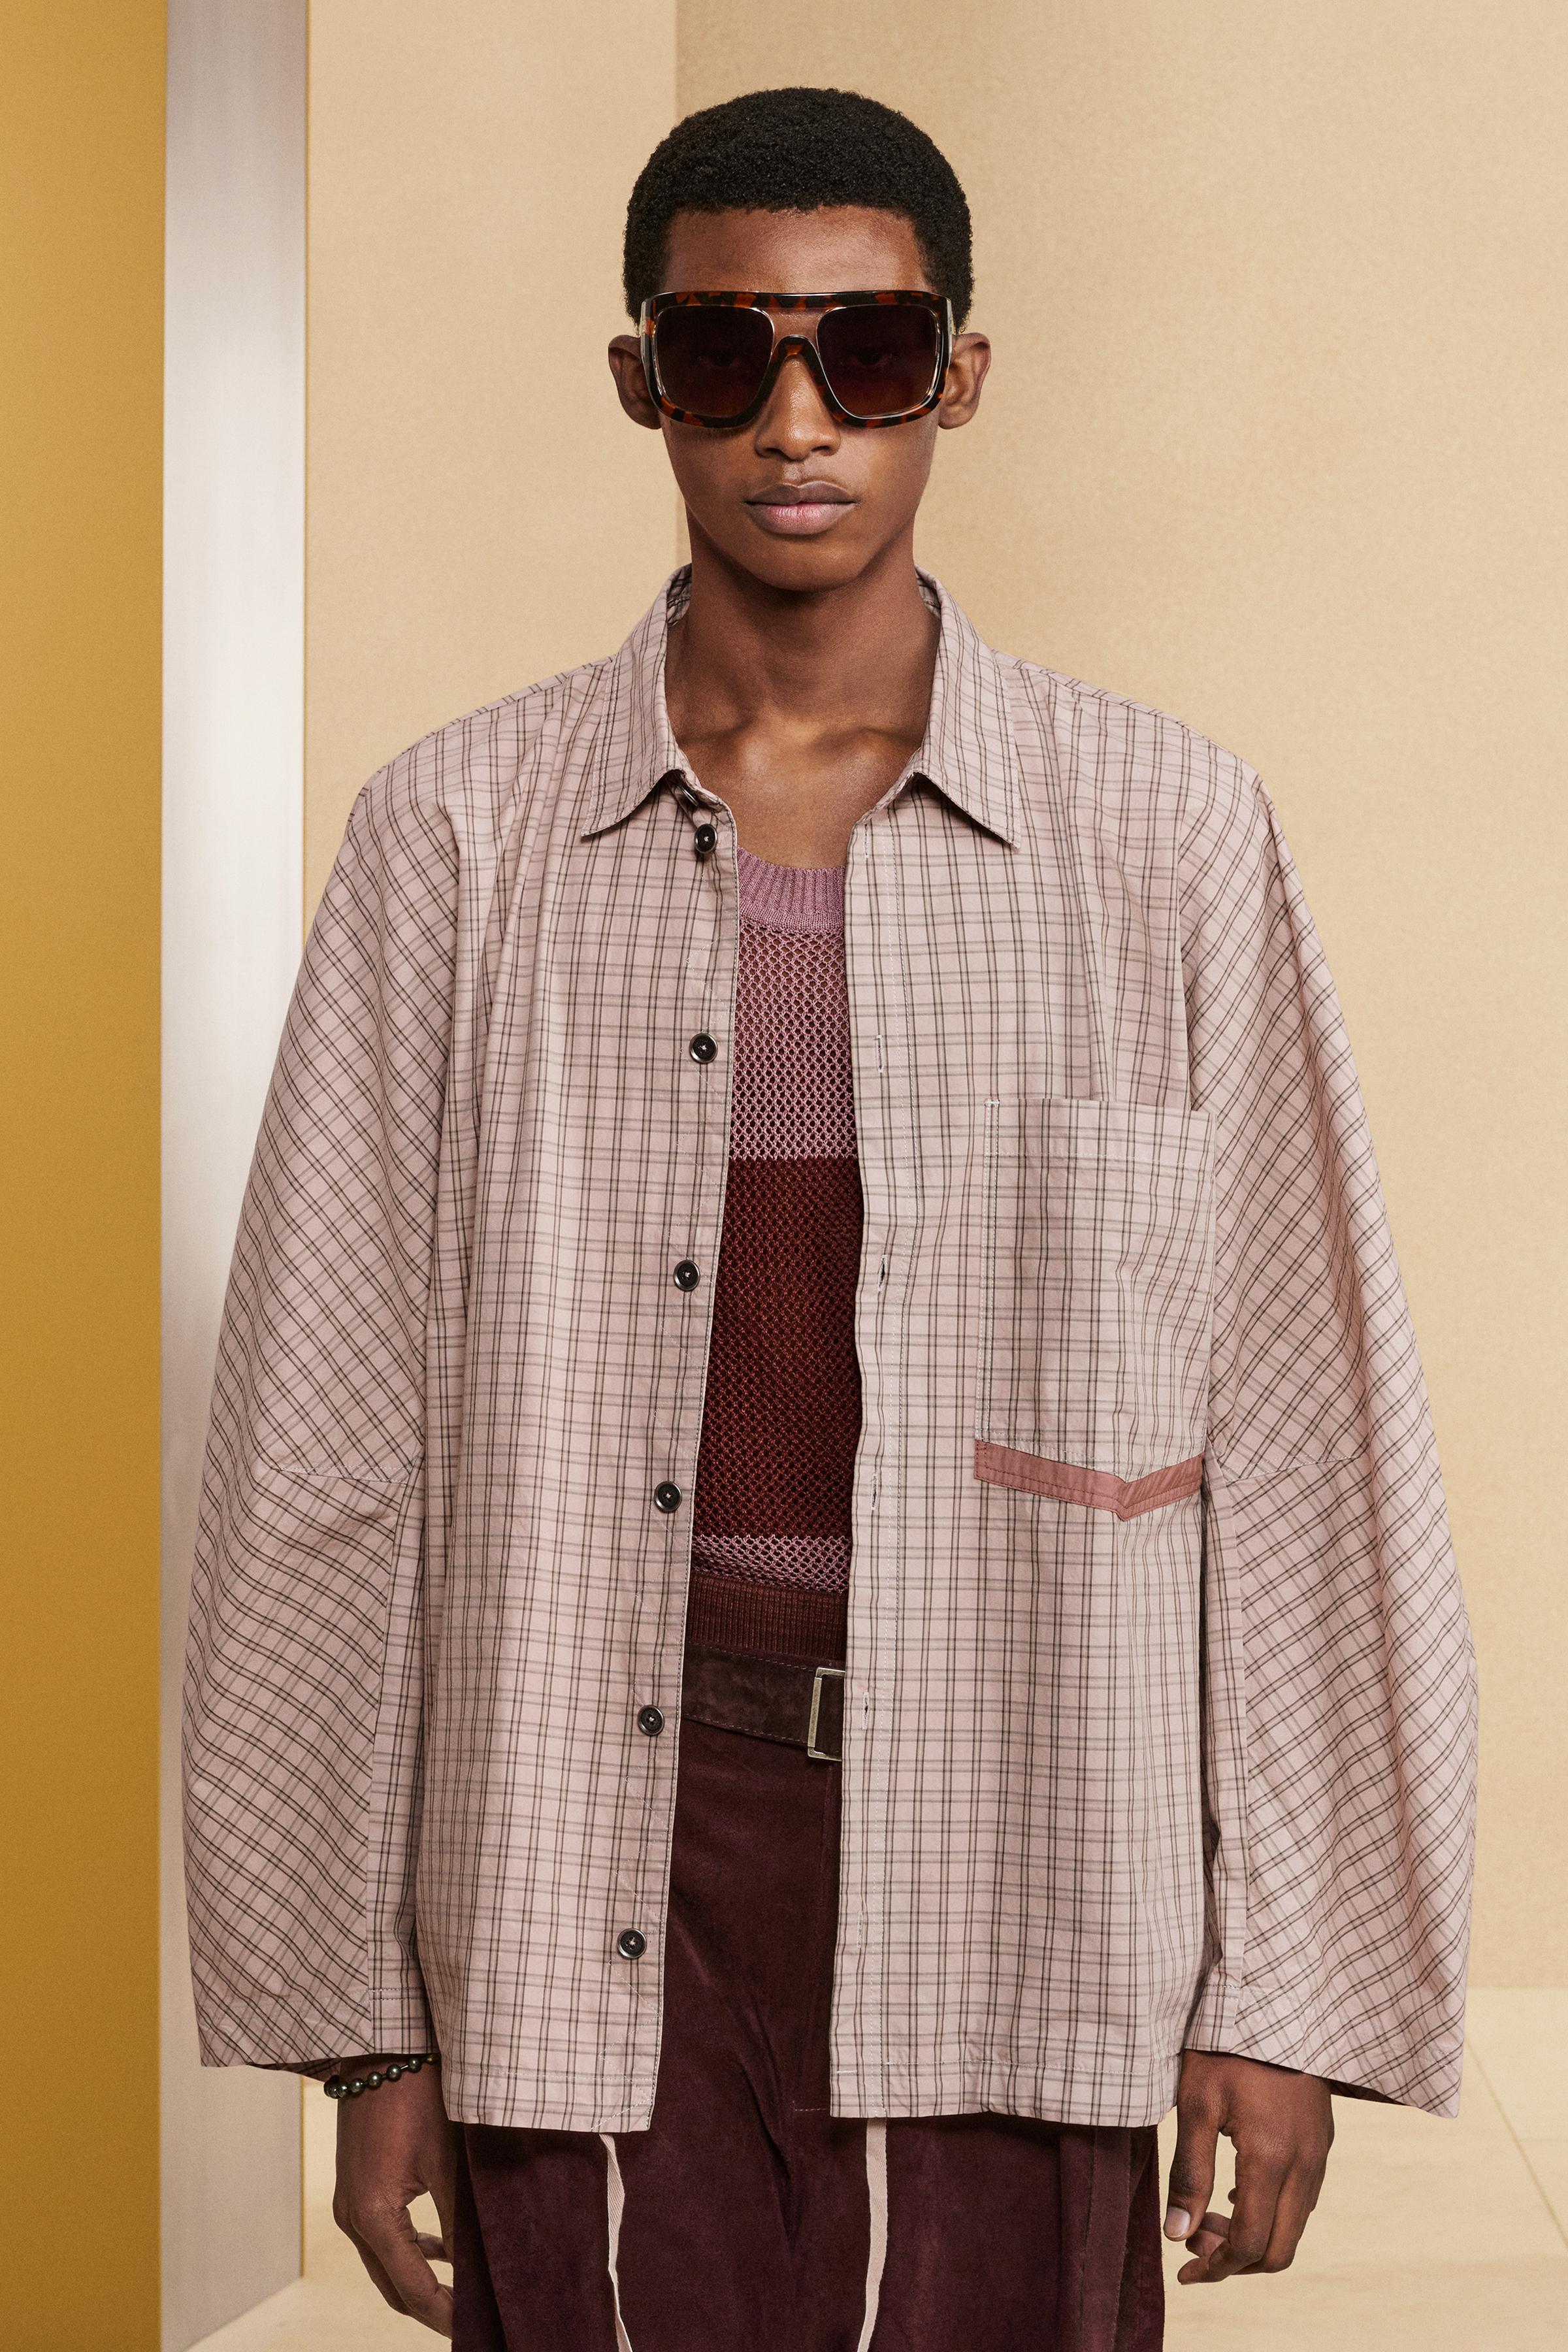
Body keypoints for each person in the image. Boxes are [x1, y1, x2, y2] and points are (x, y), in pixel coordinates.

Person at [184, 85, 1477, 2352]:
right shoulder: (456, 843)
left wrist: (1288, 1985)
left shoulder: (1164, 837)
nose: (799, 425)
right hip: (585, 1822)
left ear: (956, 376)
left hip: (1027, 1806)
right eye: (726, 356)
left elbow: (1305, 1431)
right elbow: (324, 1451)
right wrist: (362, 2026)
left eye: (866, 354)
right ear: (640, 382)